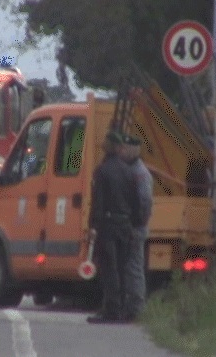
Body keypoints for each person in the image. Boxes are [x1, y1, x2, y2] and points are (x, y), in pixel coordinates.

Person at [87, 131, 140, 324]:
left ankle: (111, 310)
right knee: (122, 268)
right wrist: (134, 224)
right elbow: (136, 203)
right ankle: (122, 310)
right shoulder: (129, 172)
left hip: (108, 226)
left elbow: (98, 202)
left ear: (108, 147)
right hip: (125, 226)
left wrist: (93, 226)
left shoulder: (102, 171)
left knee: (109, 269)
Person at [122, 135, 153, 321]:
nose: (124, 151)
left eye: (128, 148)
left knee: (134, 267)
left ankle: (137, 306)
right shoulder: (132, 170)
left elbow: (145, 201)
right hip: (134, 225)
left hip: (136, 227)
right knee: (131, 267)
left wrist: (139, 221)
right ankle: (132, 305)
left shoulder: (140, 173)